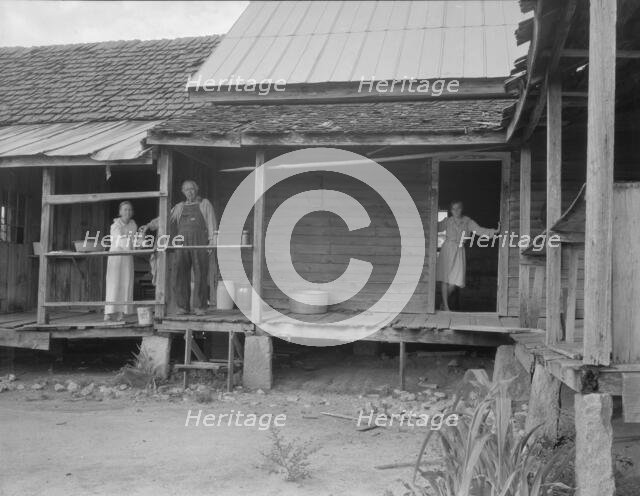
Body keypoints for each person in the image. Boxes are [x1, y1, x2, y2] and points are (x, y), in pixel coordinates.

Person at [140, 180, 216, 316]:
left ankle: (200, 307)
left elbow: (212, 223)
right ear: (183, 192)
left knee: (200, 274)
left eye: (192, 189)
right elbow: (164, 218)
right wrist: (149, 225)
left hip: (200, 242)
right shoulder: (179, 207)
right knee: (180, 273)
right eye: (187, 190)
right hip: (181, 243)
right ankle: (183, 307)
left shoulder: (205, 204)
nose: (190, 192)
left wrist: (212, 241)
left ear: (196, 190)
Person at [436, 200, 500, 311]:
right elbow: (435, 227)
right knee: (444, 279)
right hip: (447, 249)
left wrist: (494, 231)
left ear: (462, 209)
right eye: (453, 209)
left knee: (456, 281)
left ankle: (442, 303)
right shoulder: (447, 221)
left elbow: (479, 230)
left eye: (458, 208)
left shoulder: (468, 222)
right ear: (451, 210)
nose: (456, 211)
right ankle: (446, 307)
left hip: (459, 250)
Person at [105, 201, 137, 321]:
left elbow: (134, 239)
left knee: (126, 282)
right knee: (114, 283)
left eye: (129, 210)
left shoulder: (133, 224)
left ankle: (122, 312)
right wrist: (131, 245)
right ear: (120, 212)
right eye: (125, 210)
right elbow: (119, 239)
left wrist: (138, 243)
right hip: (117, 256)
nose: (127, 212)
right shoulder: (115, 225)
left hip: (128, 258)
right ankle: (108, 312)